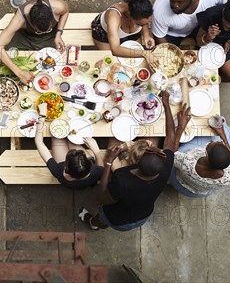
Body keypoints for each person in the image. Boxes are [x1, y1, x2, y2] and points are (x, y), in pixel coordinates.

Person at [77, 91, 180, 231]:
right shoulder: (164, 165)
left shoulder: (122, 179)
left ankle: (93, 222)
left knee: (102, 219)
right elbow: (171, 139)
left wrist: (108, 162)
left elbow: (103, 197)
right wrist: (166, 105)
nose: (156, 149)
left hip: (119, 219)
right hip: (144, 214)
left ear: (138, 162)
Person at [0, 0, 69, 85]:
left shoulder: (58, 6)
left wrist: (59, 33)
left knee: (55, 60)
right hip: (27, 36)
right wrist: (19, 73)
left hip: (51, 36)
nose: (43, 32)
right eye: (39, 31)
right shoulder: (20, 18)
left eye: (48, 28)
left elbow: (66, 11)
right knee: (10, 53)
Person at [170, 110, 230, 197]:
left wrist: (180, 128)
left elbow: (172, 154)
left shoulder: (188, 162)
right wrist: (223, 137)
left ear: (206, 156)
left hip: (180, 183)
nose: (213, 142)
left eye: (209, 145)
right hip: (200, 193)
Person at [35, 103, 104, 189]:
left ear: (66, 166)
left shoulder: (58, 171)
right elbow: (101, 166)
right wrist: (96, 151)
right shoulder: (97, 172)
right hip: (83, 180)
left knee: (57, 136)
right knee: (71, 139)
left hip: (70, 179)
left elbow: (39, 143)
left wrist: (42, 115)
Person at [151, 0, 230, 46]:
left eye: (180, 2)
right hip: (174, 34)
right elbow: (160, 37)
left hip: (201, 26)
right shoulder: (159, 10)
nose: (175, 5)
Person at [91, 0, 159, 68]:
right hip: (104, 34)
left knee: (135, 64)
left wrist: (146, 34)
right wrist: (144, 53)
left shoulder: (141, 7)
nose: (145, 25)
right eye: (139, 25)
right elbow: (115, 49)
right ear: (129, 16)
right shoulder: (114, 17)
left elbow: (144, 22)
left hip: (128, 34)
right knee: (110, 62)